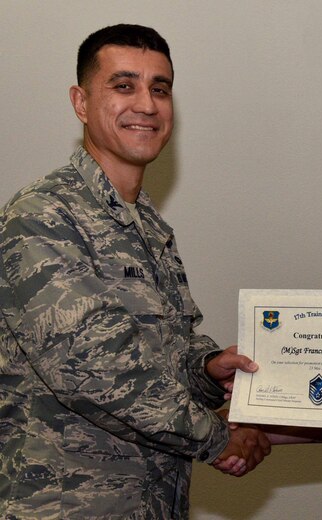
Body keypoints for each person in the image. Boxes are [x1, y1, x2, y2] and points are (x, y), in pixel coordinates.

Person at [0, 24, 270, 519]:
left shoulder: (148, 226)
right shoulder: (42, 216)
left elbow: (168, 349)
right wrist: (218, 437)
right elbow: (93, 368)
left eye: (160, 88)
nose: (146, 104)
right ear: (81, 102)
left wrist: (209, 369)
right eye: (123, 86)